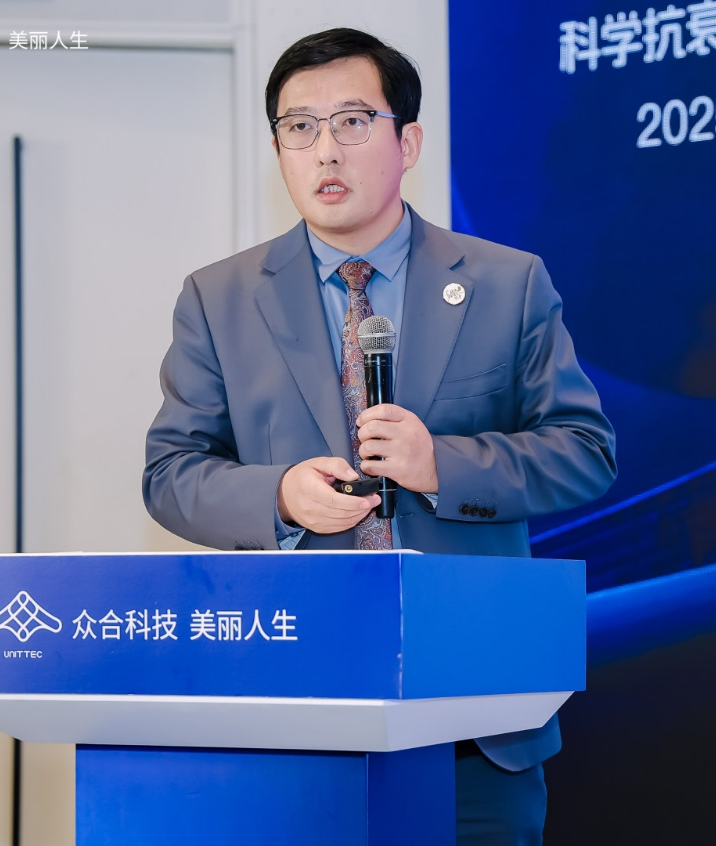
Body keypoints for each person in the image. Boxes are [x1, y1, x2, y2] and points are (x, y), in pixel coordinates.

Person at [143, 27, 616, 845]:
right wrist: (279, 496)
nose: (325, 150)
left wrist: (442, 465)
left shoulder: (506, 283)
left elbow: (584, 451)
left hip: (475, 716)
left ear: (409, 143)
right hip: (296, 707)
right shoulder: (218, 299)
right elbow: (171, 472)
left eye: (353, 122)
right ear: (278, 149)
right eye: (300, 127)